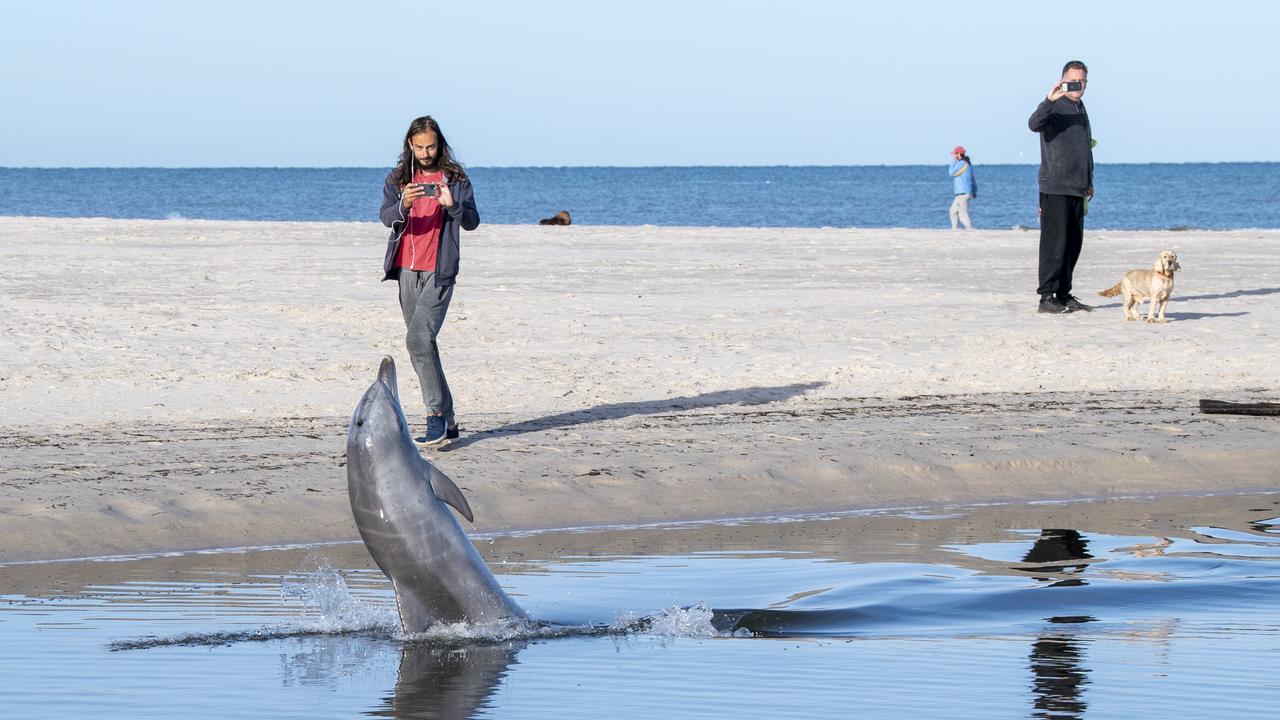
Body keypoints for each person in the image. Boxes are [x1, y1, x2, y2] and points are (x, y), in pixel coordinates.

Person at [378, 116, 480, 446]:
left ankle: (434, 415)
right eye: (420, 146)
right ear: (410, 144)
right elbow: (385, 217)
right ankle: (449, 421)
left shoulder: (456, 178)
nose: (426, 152)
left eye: (431, 146)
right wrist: (402, 205)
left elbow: (472, 221)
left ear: (440, 144)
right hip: (406, 269)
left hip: (440, 270)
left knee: (417, 341)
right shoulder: (397, 179)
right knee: (425, 344)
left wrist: (452, 206)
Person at [1028, 60, 1095, 314]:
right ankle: (1046, 297)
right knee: (1053, 245)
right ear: (1063, 80)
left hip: (1078, 187)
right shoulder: (1054, 107)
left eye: (1084, 81)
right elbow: (1034, 124)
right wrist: (1048, 99)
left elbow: (1084, 148)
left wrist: (1089, 180)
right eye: (1075, 80)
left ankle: (1064, 294)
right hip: (1055, 186)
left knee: (1072, 245)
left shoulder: (1080, 107)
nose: (1079, 85)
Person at [948, 146, 976, 230]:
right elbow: (973, 179)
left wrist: (954, 160)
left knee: (962, 213)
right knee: (953, 211)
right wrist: (974, 191)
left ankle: (969, 229)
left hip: (963, 193)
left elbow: (951, 172)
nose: (954, 156)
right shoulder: (967, 164)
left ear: (959, 154)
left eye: (955, 154)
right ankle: (954, 229)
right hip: (961, 193)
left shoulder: (962, 164)